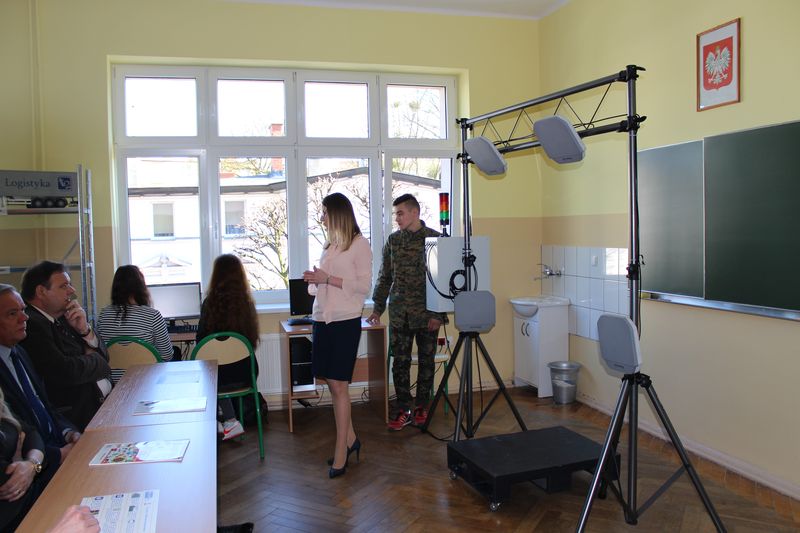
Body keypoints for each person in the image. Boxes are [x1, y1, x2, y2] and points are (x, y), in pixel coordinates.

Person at [303, 192, 372, 479]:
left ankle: (341, 452)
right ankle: (351, 440)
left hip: (345, 321)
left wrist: (327, 279)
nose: (322, 218)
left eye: (324, 213)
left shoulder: (360, 244)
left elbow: (364, 287)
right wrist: (315, 281)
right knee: (333, 384)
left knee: (340, 386)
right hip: (323, 319)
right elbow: (324, 285)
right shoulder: (329, 245)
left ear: (337, 214)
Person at [0, 284, 80, 529]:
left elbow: (43, 410)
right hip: (36, 481)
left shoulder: (19, 353)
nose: (24, 318)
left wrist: (69, 432)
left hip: (50, 453)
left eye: (23, 310)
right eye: (12, 314)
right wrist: (55, 456)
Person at [368, 193, 445, 430]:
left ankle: (422, 406)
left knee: (426, 362)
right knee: (399, 364)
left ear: (415, 212)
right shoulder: (393, 241)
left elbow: (444, 281)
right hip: (400, 313)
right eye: (395, 214)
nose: (397, 218)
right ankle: (403, 409)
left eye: (400, 213)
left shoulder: (435, 239)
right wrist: (377, 309)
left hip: (427, 314)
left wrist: (438, 315)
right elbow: (384, 277)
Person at [19, 262, 111, 431]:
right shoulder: (32, 323)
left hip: (103, 406)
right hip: (78, 418)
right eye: (64, 286)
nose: (72, 290)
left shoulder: (63, 317)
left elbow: (105, 356)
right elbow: (64, 371)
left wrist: (84, 330)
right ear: (41, 291)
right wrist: (96, 360)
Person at [196, 254, 260, 441]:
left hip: (218, 376)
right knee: (221, 371)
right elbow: (252, 341)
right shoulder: (247, 304)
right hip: (245, 373)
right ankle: (228, 420)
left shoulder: (209, 304)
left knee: (212, 372)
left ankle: (222, 419)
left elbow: (200, 342)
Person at [96, 265, 177, 374]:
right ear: (141, 287)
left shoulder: (104, 315)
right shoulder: (153, 315)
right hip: (145, 379)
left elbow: (100, 352)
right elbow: (167, 355)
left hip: (112, 380)